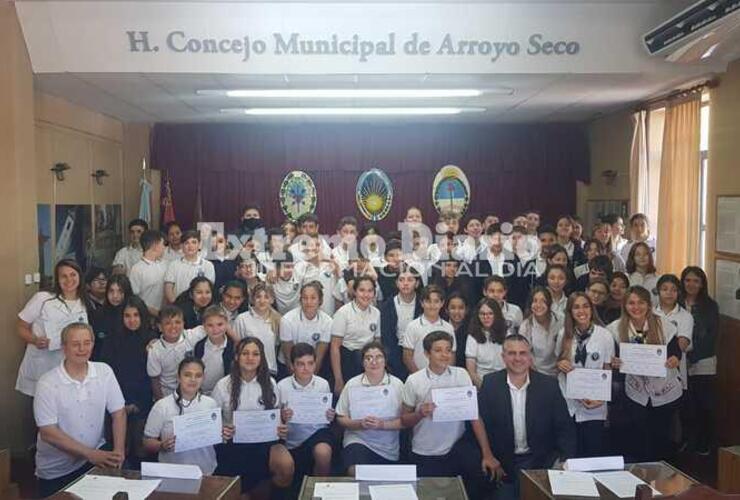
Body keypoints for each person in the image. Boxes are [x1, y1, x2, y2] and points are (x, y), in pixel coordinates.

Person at [401, 331, 498, 500]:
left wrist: (487, 453)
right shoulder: (414, 380)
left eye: (448, 350)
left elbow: (474, 416)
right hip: (425, 451)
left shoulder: (461, 374)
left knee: (467, 490)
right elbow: (404, 420)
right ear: (426, 354)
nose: (444, 355)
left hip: (457, 447)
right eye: (438, 350)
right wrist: (420, 414)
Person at [478, 334, 576, 500]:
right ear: (503, 357)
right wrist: (488, 456)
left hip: (541, 463)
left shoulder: (549, 385)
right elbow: (481, 425)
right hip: (502, 465)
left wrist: (564, 460)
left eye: (522, 353)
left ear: (530, 357)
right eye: (511, 353)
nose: (518, 358)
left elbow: (564, 427)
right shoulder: (490, 383)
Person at [33, 323, 126, 497]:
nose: (82, 349)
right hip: (57, 471)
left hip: (94, 462)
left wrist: (118, 451)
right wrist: (89, 454)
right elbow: (48, 432)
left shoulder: (104, 371)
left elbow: (119, 413)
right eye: (75, 344)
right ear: (64, 347)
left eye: (87, 343)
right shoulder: (47, 383)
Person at [212, 337, 294, 498]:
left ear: (261, 358)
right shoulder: (223, 385)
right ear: (237, 357)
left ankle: (266, 490)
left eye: (255, 354)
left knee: (285, 464)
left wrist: (282, 426)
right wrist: (221, 430)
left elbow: (276, 417)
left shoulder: (270, 383)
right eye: (245, 353)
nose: (250, 358)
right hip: (233, 444)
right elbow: (213, 420)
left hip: (264, 443)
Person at [608, 286, 682, 462]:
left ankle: (663, 475)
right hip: (636, 390)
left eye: (641, 302)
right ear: (625, 305)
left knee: (662, 434)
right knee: (639, 435)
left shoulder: (664, 325)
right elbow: (614, 360)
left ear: (649, 305)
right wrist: (615, 363)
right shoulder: (615, 328)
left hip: (664, 389)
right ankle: (643, 473)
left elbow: (676, 352)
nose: (636, 307)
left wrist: (674, 359)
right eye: (631, 303)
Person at [16, 259, 90, 397]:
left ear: (80, 276)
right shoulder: (43, 299)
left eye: (73, 274)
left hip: (70, 367)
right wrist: (34, 340)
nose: (69, 279)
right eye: (64, 276)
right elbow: (20, 326)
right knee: (44, 410)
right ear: (57, 279)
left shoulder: (85, 303)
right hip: (43, 365)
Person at [555, 293, 614, 457]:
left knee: (592, 452)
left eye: (585, 306)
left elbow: (607, 369)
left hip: (594, 402)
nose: (582, 311)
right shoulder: (563, 334)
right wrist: (560, 364)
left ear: (592, 309)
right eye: (576, 307)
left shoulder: (604, 335)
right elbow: (558, 362)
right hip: (569, 402)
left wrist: (600, 399)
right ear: (570, 312)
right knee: (570, 453)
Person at [100, 296, 156, 467]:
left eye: (136, 315)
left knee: (141, 451)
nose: (132, 320)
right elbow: (108, 374)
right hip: (117, 403)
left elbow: (150, 377)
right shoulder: (111, 340)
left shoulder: (152, 339)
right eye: (127, 316)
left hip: (143, 402)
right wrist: (123, 402)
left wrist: (137, 402)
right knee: (118, 451)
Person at [143, 357, 224, 474]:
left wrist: (223, 435)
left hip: (206, 471)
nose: (193, 379)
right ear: (178, 377)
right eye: (187, 375)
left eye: (198, 375)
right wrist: (162, 445)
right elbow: (147, 442)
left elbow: (215, 438)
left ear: (203, 378)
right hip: (172, 472)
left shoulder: (211, 403)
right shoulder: (162, 406)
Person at [335, 341, 405, 475]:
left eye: (379, 357)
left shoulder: (397, 385)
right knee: (356, 471)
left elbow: (405, 421)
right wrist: (359, 424)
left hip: (388, 447)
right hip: (358, 440)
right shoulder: (352, 384)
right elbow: (341, 417)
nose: (374, 361)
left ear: (385, 361)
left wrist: (382, 424)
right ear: (363, 363)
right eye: (368, 358)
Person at [278, 343, 335, 478]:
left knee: (323, 452)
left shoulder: (323, 384)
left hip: (318, 433)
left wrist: (329, 415)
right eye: (300, 364)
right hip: (292, 439)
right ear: (292, 366)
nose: (306, 368)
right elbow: (275, 420)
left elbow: (326, 418)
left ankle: (320, 490)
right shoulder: (282, 386)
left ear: (315, 364)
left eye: (310, 363)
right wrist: (282, 415)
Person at [680, 266, 719, 455]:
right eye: (687, 280)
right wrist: (683, 358)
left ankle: (705, 443)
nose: (691, 284)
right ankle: (688, 440)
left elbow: (711, 337)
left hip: (703, 361)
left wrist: (692, 358)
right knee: (687, 405)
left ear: (702, 283)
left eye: (696, 280)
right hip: (679, 361)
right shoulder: (677, 302)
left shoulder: (710, 306)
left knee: (704, 403)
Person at [330, 276, 381, 395]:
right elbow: (334, 347)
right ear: (355, 292)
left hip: (368, 360)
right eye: (362, 290)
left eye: (370, 291)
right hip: (347, 360)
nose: (366, 295)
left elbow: (377, 342)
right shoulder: (343, 313)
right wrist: (338, 379)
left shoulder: (376, 312)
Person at [147, 305, 207, 399]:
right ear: (160, 327)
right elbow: (155, 379)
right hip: (168, 394)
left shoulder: (191, 336)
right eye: (168, 323)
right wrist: (160, 401)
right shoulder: (154, 350)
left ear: (183, 324)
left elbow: (214, 323)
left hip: (192, 391)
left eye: (178, 322)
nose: (173, 326)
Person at [279, 281, 333, 377]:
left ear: (320, 301)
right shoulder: (287, 320)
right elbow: (288, 356)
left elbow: (319, 357)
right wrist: (296, 379)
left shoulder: (327, 321)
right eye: (305, 298)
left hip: (312, 367)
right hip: (288, 366)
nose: (309, 302)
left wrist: (310, 380)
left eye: (313, 298)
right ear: (300, 300)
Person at [401, 285, 455, 375]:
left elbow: (452, 355)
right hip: (419, 377)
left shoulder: (448, 327)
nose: (432, 305)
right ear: (422, 303)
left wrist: (445, 375)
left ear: (442, 303)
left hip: (443, 378)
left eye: (436, 301)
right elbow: (407, 356)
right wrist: (420, 376)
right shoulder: (413, 326)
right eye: (428, 301)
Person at [379, 265, 422, 380]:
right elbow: (387, 337)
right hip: (395, 353)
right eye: (401, 280)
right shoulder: (387, 306)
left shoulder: (424, 303)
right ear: (397, 283)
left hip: (420, 351)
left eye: (410, 280)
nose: (405, 283)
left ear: (417, 283)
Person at [233, 282, 281, 377]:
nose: (262, 300)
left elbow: (277, 346)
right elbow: (236, 346)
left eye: (266, 297)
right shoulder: (242, 319)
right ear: (252, 299)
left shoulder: (278, 320)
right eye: (258, 297)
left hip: (269, 370)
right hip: (247, 369)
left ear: (272, 300)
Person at [519, 287, 562, 377]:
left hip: (560, 371)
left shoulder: (561, 320)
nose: (538, 305)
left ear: (549, 303)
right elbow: (525, 355)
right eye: (535, 301)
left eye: (543, 301)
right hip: (535, 372)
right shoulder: (526, 326)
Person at [466, 298, 508, 388]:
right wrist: (484, 388)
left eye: (490, 313)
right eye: (482, 314)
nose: (486, 317)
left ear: (496, 315)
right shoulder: (472, 336)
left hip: (504, 381)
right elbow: (471, 371)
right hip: (481, 382)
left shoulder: (508, 334)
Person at [192, 306, 235, 395]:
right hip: (202, 393)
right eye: (210, 325)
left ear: (226, 324)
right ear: (204, 326)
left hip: (225, 393)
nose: (215, 330)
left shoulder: (232, 347)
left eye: (220, 324)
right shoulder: (199, 347)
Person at [164, 230, 216, 303]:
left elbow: (208, 290)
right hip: (179, 306)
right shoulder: (173, 265)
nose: (190, 246)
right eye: (186, 243)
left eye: (194, 242)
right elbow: (168, 288)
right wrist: (176, 304)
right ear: (181, 246)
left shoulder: (208, 265)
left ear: (200, 245)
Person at [90, 274, 133, 360]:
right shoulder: (98, 315)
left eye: (120, 291)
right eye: (111, 291)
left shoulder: (133, 313)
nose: (115, 296)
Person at [129, 229, 167, 317]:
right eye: (162, 244)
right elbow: (134, 298)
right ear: (155, 246)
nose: (164, 248)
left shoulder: (165, 264)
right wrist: (155, 313)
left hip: (165, 315)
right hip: (145, 316)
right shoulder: (137, 269)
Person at [626, 241, 660, 306]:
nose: (642, 257)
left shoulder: (658, 279)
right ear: (632, 257)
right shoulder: (627, 279)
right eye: (638, 254)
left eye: (645, 254)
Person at [445, 292, 470, 368]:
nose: (457, 312)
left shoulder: (471, 330)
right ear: (446, 310)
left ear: (466, 310)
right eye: (453, 308)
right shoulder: (441, 327)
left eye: (461, 308)